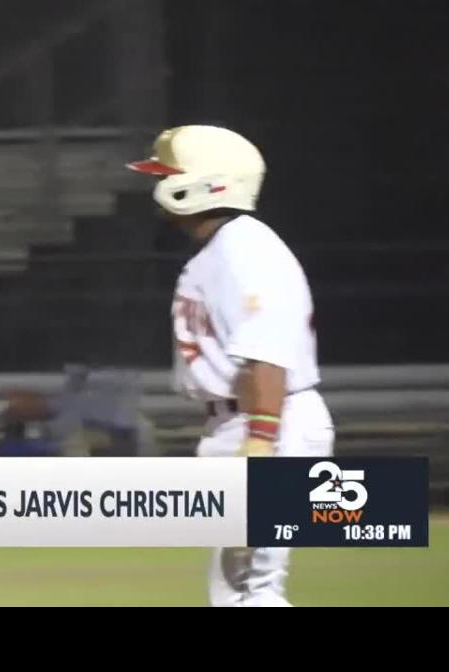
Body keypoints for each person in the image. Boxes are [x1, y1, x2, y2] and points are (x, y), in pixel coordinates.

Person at [128, 125, 334, 607]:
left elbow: (267, 351)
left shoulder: (246, 248)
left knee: (254, 592)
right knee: (239, 593)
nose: (158, 183)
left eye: (168, 173)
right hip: (249, 421)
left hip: (267, 423)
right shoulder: (228, 247)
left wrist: (259, 441)